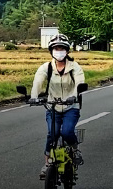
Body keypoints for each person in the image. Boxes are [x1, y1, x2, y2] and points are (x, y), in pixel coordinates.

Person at [30, 34, 86, 179]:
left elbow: (80, 83)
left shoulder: (75, 67)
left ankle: (74, 149)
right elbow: (38, 82)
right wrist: (34, 97)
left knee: (67, 132)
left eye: (62, 48)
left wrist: (74, 95)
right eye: (56, 48)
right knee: (52, 134)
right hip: (52, 106)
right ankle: (48, 163)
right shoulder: (46, 67)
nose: (59, 51)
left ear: (67, 51)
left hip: (70, 106)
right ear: (51, 50)